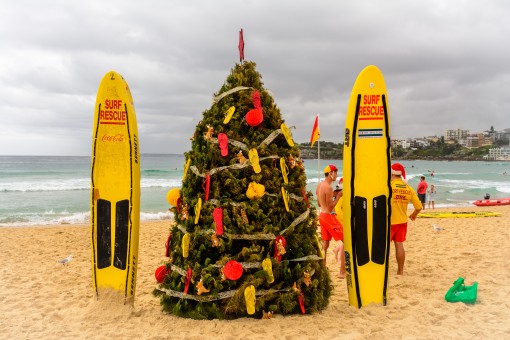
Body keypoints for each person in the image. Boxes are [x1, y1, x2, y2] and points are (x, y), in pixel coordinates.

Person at [390, 163, 422, 275]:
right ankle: (400, 271)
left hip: (388, 222)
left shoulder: (388, 187)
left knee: (384, 247)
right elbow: (419, 206)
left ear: (392, 174)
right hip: (402, 221)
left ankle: (383, 271)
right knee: (399, 244)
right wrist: (414, 214)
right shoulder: (408, 188)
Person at [315, 165, 342, 270]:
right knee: (346, 239)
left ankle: (323, 266)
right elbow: (330, 208)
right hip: (327, 216)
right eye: (336, 173)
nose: (336, 175)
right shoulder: (329, 187)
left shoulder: (320, 185)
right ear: (331, 173)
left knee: (325, 243)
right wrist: (338, 196)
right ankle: (346, 268)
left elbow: (318, 203)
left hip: (321, 215)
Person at [332, 178, 346, 278]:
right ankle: (342, 271)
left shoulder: (342, 193)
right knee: (346, 243)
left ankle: (337, 249)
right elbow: (338, 209)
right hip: (342, 222)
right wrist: (345, 220)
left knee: (345, 243)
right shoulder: (342, 194)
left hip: (342, 221)